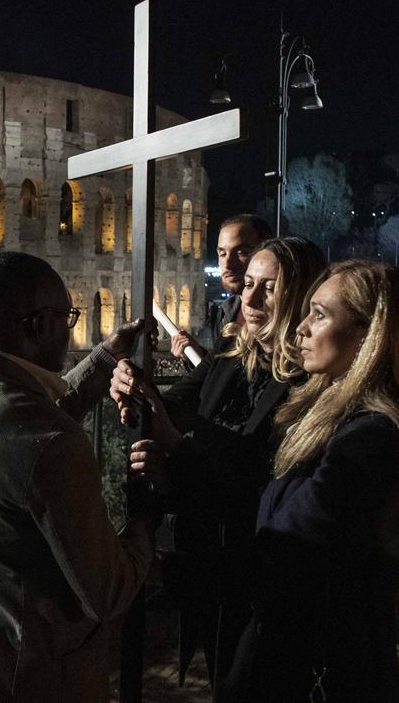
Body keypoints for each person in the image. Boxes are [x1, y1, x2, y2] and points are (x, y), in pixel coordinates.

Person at [157, 260, 399, 702]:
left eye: (319, 314)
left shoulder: (371, 441)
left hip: (317, 671)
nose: (300, 329)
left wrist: (158, 572)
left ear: (370, 334)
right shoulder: (335, 422)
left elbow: (287, 557)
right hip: (301, 656)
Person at [0, 251, 158, 703]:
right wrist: (148, 510)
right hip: (35, 675)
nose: (69, 328)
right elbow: (108, 591)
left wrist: (103, 358)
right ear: (39, 326)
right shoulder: (48, 443)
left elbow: (15, 441)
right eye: (67, 316)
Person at [111, 236, 326, 684]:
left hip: (257, 571)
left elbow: (267, 473)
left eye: (269, 288)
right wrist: (129, 387)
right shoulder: (229, 359)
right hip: (206, 559)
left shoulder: (312, 383)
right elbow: (170, 408)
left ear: (302, 297)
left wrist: (176, 445)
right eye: (248, 284)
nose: (248, 299)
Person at [170, 214, 272, 362]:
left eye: (241, 252)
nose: (228, 264)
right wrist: (196, 355)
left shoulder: (277, 316)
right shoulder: (223, 315)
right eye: (222, 253)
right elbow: (226, 377)